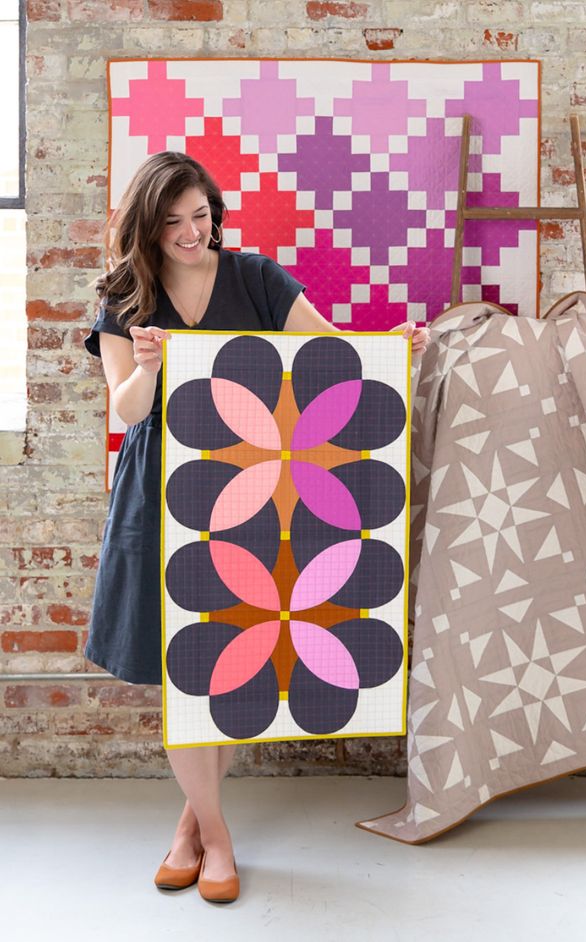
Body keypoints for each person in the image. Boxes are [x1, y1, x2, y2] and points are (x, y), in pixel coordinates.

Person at [84, 151, 429, 904]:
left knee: (234, 655)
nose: (191, 231)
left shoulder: (258, 278)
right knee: (183, 667)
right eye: (173, 220)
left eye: (201, 213)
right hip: (160, 496)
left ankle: (189, 827)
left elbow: (332, 355)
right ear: (148, 225)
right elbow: (125, 412)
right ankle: (219, 838)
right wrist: (148, 365)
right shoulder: (122, 296)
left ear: (214, 207)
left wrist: (392, 349)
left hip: (253, 489)